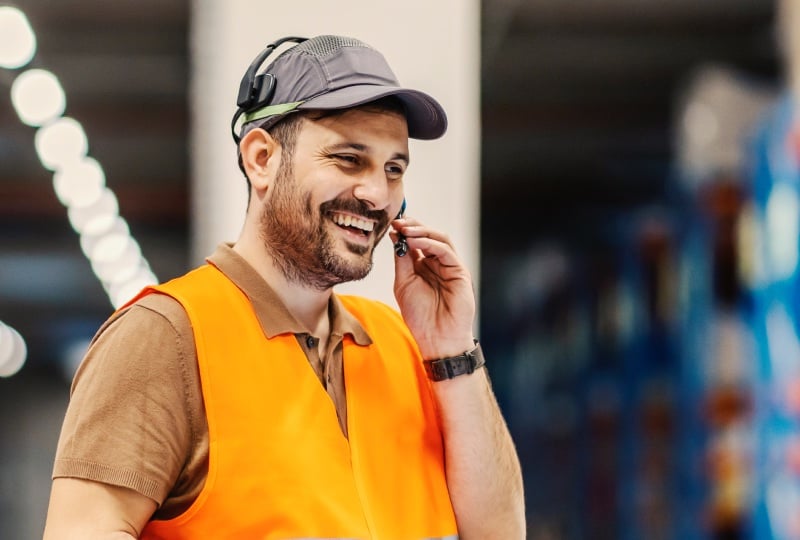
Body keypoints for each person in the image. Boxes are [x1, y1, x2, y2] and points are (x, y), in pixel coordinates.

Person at [43, 34, 525, 539]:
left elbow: (499, 532)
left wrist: (453, 351)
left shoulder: (402, 345)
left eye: (394, 169)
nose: (377, 194)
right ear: (261, 159)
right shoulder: (166, 336)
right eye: (348, 159)